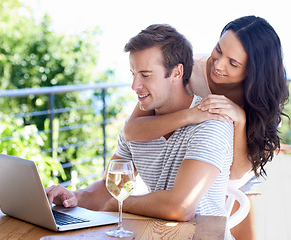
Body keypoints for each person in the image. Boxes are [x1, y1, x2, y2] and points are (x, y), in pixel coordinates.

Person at [123, 16, 289, 240]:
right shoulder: (191, 70)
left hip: (238, 173)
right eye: (218, 50)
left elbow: (237, 173)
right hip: (198, 159)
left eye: (233, 63)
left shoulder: (263, 102)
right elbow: (132, 130)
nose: (218, 65)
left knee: (237, 228)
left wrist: (239, 120)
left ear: (253, 71)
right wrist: (190, 115)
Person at [46, 24, 234, 221]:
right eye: (133, 74)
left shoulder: (211, 122)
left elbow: (181, 207)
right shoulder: (137, 126)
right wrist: (73, 197)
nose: (135, 86)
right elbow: (109, 187)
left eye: (145, 75)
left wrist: (119, 204)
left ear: (177, 73)